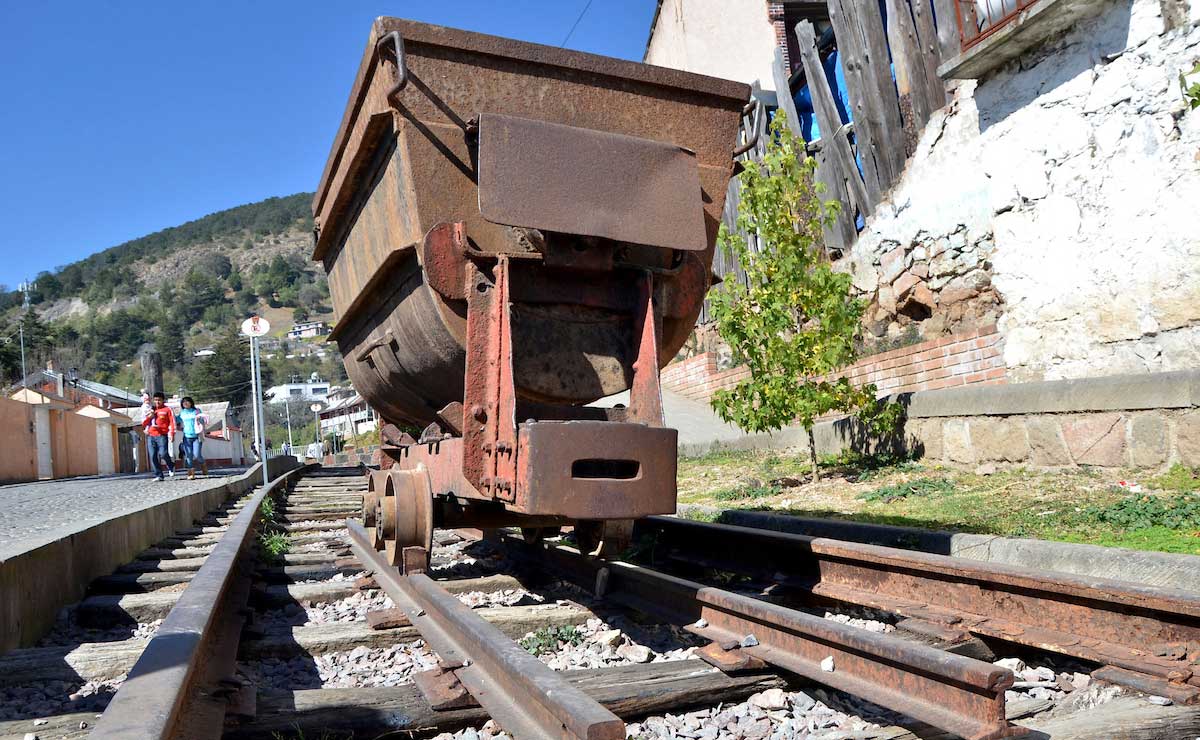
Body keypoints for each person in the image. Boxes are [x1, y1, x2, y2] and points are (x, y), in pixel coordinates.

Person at [142, 391, 177, 481]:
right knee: (153, 455)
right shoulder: (151, 410)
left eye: (159, 400)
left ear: (163, 400)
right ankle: (159, 475)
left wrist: (172, 433)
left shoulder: (167, 410)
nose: (157, 402)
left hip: (162, 435)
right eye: (155, 400)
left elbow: (173, 422)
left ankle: (170, 464)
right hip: (151, 435)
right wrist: (150, 417)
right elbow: (144, 423)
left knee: (163, 453)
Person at [175, 396, 209, 479]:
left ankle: (203, 465)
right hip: (187, 437)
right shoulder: (182, 413)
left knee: (197, 455)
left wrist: (200, 420)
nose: (186, 403)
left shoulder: (197, 411)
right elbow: (175, 420)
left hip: (197, 436)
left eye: (187, 401)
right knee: (189, 455)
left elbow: (203, 420)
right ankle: (191, 473)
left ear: (191, 402)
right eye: (184, 402)